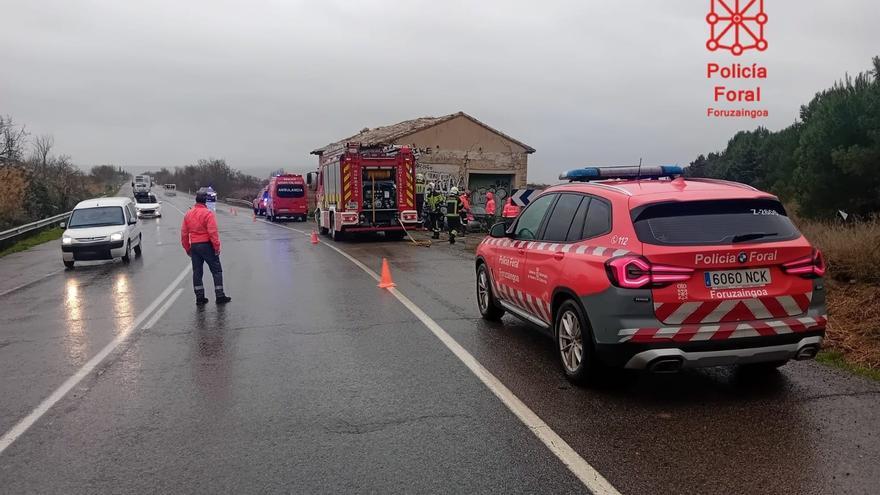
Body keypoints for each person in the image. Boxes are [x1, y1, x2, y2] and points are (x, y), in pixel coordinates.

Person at [181, 191, 231, 305]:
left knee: (197, 272)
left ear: (196, 200)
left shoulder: (188, 214)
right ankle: (220, 296)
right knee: (216, 270)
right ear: (205, 201)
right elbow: (213, 232)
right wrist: (216, 247)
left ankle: (200, 298)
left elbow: (184, 234)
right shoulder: (208, 214)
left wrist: (187, 248)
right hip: (207, 245)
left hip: (194, 246)